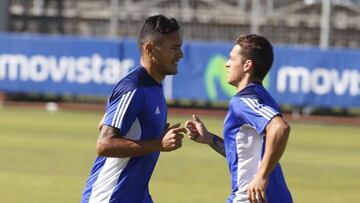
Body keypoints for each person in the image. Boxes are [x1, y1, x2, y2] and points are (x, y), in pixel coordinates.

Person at [81, 15, 186, 203]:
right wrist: (159, 143)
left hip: (137, 196)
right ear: (150, 49)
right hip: (110, 196)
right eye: (174, 48)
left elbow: (106, 122)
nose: (180, 54)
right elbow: (103, 145)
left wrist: (153, 134)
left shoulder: (154, 85)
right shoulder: (134, 87)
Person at [185, 34, 293, 203]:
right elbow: (245, 155)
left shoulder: (242, 101)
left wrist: (261, 176)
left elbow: (280, 128)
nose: (227, 64)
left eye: (231, 58)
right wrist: (210, 139)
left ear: (247, 65)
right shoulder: (265, 98)